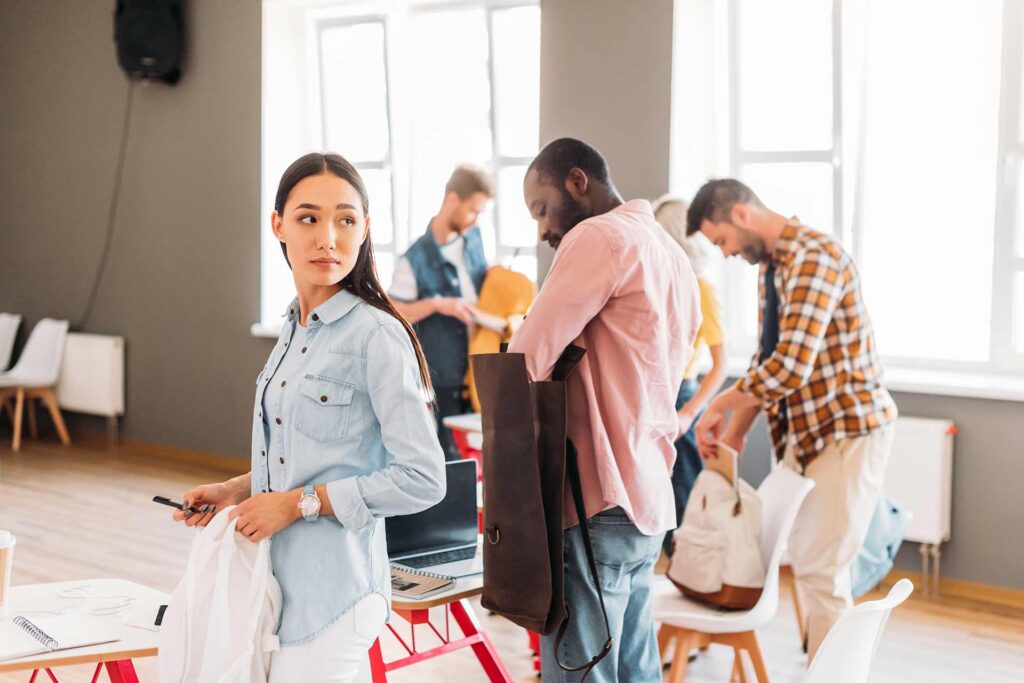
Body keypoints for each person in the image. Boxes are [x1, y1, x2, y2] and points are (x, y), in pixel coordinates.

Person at [172, 153, 446, 682]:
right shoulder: (294, 327)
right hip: (273, 585)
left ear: (365, 229)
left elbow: (423, 478)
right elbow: (315, 451)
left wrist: (297, 504)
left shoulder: (378, 336)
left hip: (335, 598)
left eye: (345, 220)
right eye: (308, 218)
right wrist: (238, 489)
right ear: (278, 225)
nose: (328, 239)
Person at [509, 138, 700, 683]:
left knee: (582, 673)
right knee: (636, 668)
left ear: (577, 181)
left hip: (597, 493)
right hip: (648, 493)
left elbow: (525, 359)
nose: (542, 230)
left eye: (541, 209)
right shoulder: (671, 254)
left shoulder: (598, 237)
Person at [687, 178, 897, 662]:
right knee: (808, 563)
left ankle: (834, 673)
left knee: (822, 570)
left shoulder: (814, 258)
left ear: (741, 214)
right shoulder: (773, 267)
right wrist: (736, 432)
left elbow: (791, 367)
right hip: (808, 435)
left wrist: (717, 405)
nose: (725, 253)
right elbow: (768, 359)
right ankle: (826, 664)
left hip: (847, 431)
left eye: (721, 240)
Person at [389, 165, 492, 460]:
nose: (475, 220)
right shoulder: (414, 259)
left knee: (486, 454)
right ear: (452, 200)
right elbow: (395, 311)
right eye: (472, 211)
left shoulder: (474, 238)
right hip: (444, 375)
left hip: (480, 367)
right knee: (450, 458)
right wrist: (437, 305)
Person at [652, 197, 729, 555]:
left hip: (682, 399)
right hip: (656, 398)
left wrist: (687, 414)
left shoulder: (702, 289)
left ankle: (688, 576)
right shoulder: (659, 284)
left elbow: (720, 366)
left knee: (683, 501)